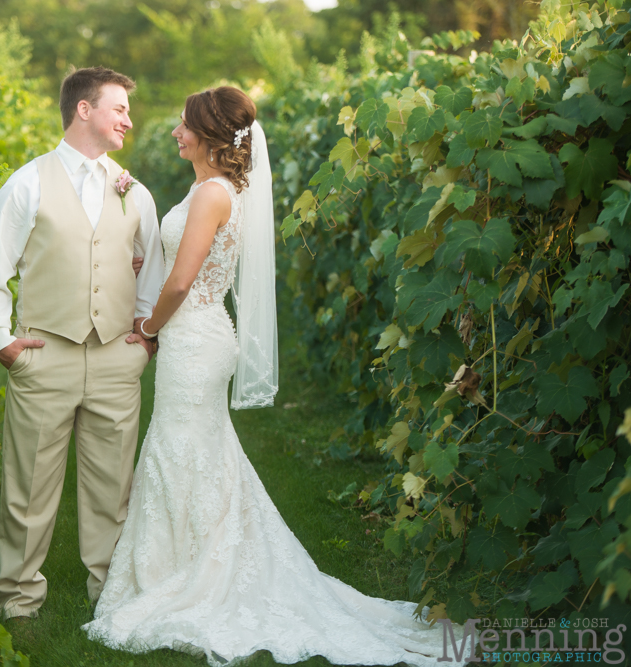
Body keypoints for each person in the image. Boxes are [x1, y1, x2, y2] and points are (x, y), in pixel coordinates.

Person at [82, 87, 457, 667]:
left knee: (180, 448)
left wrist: (149, 328)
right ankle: (189, 560)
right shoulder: (212, 188)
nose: (176, 133)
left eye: (184, 126)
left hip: (194, 335)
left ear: (207, 135)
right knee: (194, 449)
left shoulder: (212, 193)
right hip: (199, 334)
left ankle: (190, 572)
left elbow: (181, 285)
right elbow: (183, 261)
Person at [0, 67, 164, 623]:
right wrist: (2, 342)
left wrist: (143, 339)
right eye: (119, 108)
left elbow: (152, 267)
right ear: (84, 110)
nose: (129, 118)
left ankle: (109, 597)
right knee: (28, 489)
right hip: (44, 354)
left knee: (113, 487)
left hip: (115, 357)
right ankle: (19, 601)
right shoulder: (26, 183)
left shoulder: (136, 191)